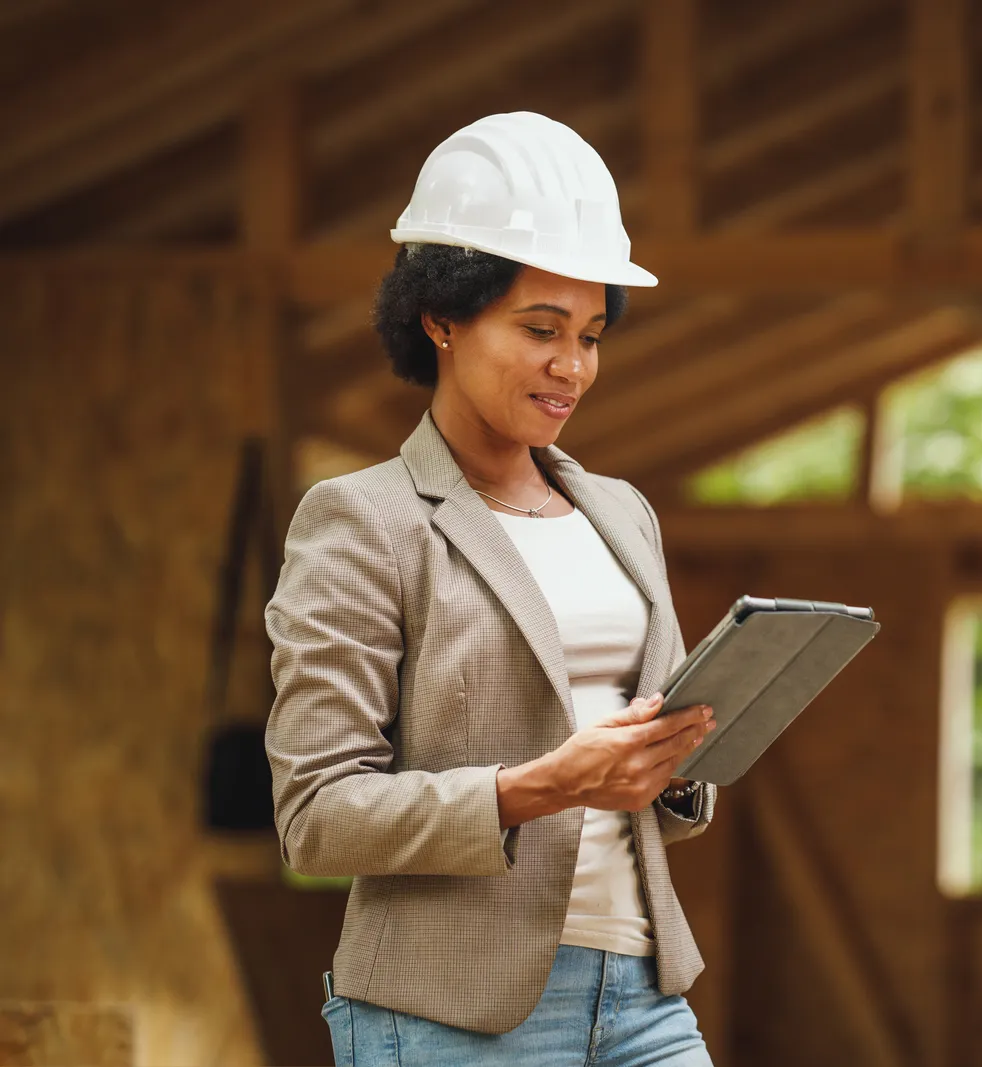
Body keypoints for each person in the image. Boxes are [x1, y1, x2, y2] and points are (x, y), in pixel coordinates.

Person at [264, 112, 719, 1067]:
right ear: (441, 317)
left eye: (591, 335)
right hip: (451, 1016)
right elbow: (316, 816)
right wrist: (539, 788)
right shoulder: (363, 519)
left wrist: (675, 769)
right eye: (540, 329)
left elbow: (646, 774)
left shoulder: (623, 513)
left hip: (642, 991)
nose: (573, 367)